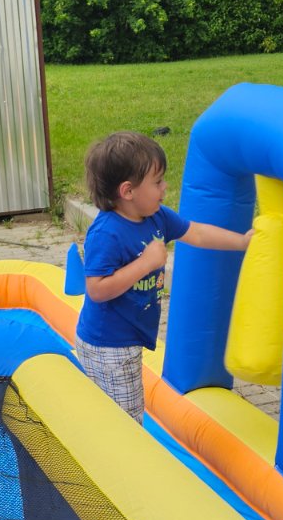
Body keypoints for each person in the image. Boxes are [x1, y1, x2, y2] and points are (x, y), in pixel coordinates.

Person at [75, 130, 254, 423]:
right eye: (157, 182)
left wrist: (242, 242)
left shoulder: (157, 217)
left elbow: (197, 233)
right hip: (108, 346)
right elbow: (96, 289)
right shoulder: (107, 233)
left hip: (126, 340)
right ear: (128, 191)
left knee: (116, 415)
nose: (164, 187)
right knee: (128, 420)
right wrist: (145, 264)